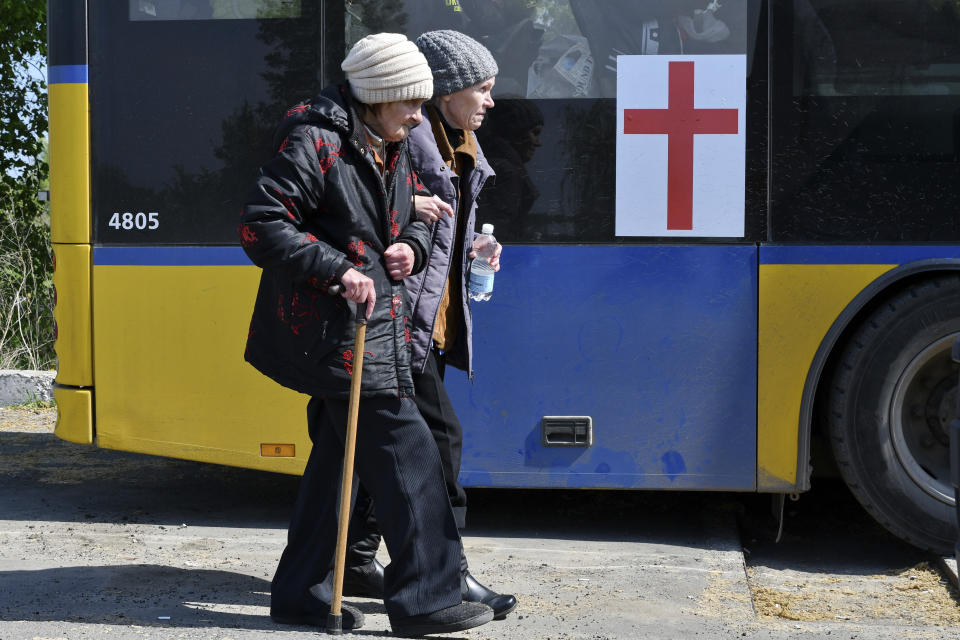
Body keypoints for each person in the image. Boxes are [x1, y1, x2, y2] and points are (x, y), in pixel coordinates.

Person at [238, 32, 494, 637]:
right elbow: (261, 226)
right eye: (409, 103)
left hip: (380, 327)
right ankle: (428, 599)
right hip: (334, 332)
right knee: (412, 456)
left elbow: (414, 213)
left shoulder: (392, 140)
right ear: (377, 97)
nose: (417, 115)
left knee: (336, 466)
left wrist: (408, 242)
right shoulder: (316, 140)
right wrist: (340, 270)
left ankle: (303, 594)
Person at [341, 29, 517, 620]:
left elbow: (439, 233)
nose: (491, 100)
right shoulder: (411, 140)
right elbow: (357, 205)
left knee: (381, 447)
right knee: (439, 444)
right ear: (447, 90)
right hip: (399, 320)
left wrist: (472, 252)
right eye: (482, 88)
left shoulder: (459, 142)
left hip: (430, 319)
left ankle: (359, 559)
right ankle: (449, 576)